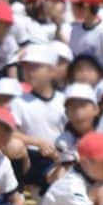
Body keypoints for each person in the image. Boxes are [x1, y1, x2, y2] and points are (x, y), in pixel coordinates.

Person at [12, 45, 65, 192]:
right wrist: (37, 142)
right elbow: (9, 133)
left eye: (34, 67)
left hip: (60, 157)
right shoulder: (18, 102)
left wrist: (58, 153)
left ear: (51, 71)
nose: (28, 72)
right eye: (26, 67)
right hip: (32, 159)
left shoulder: (64, 100)